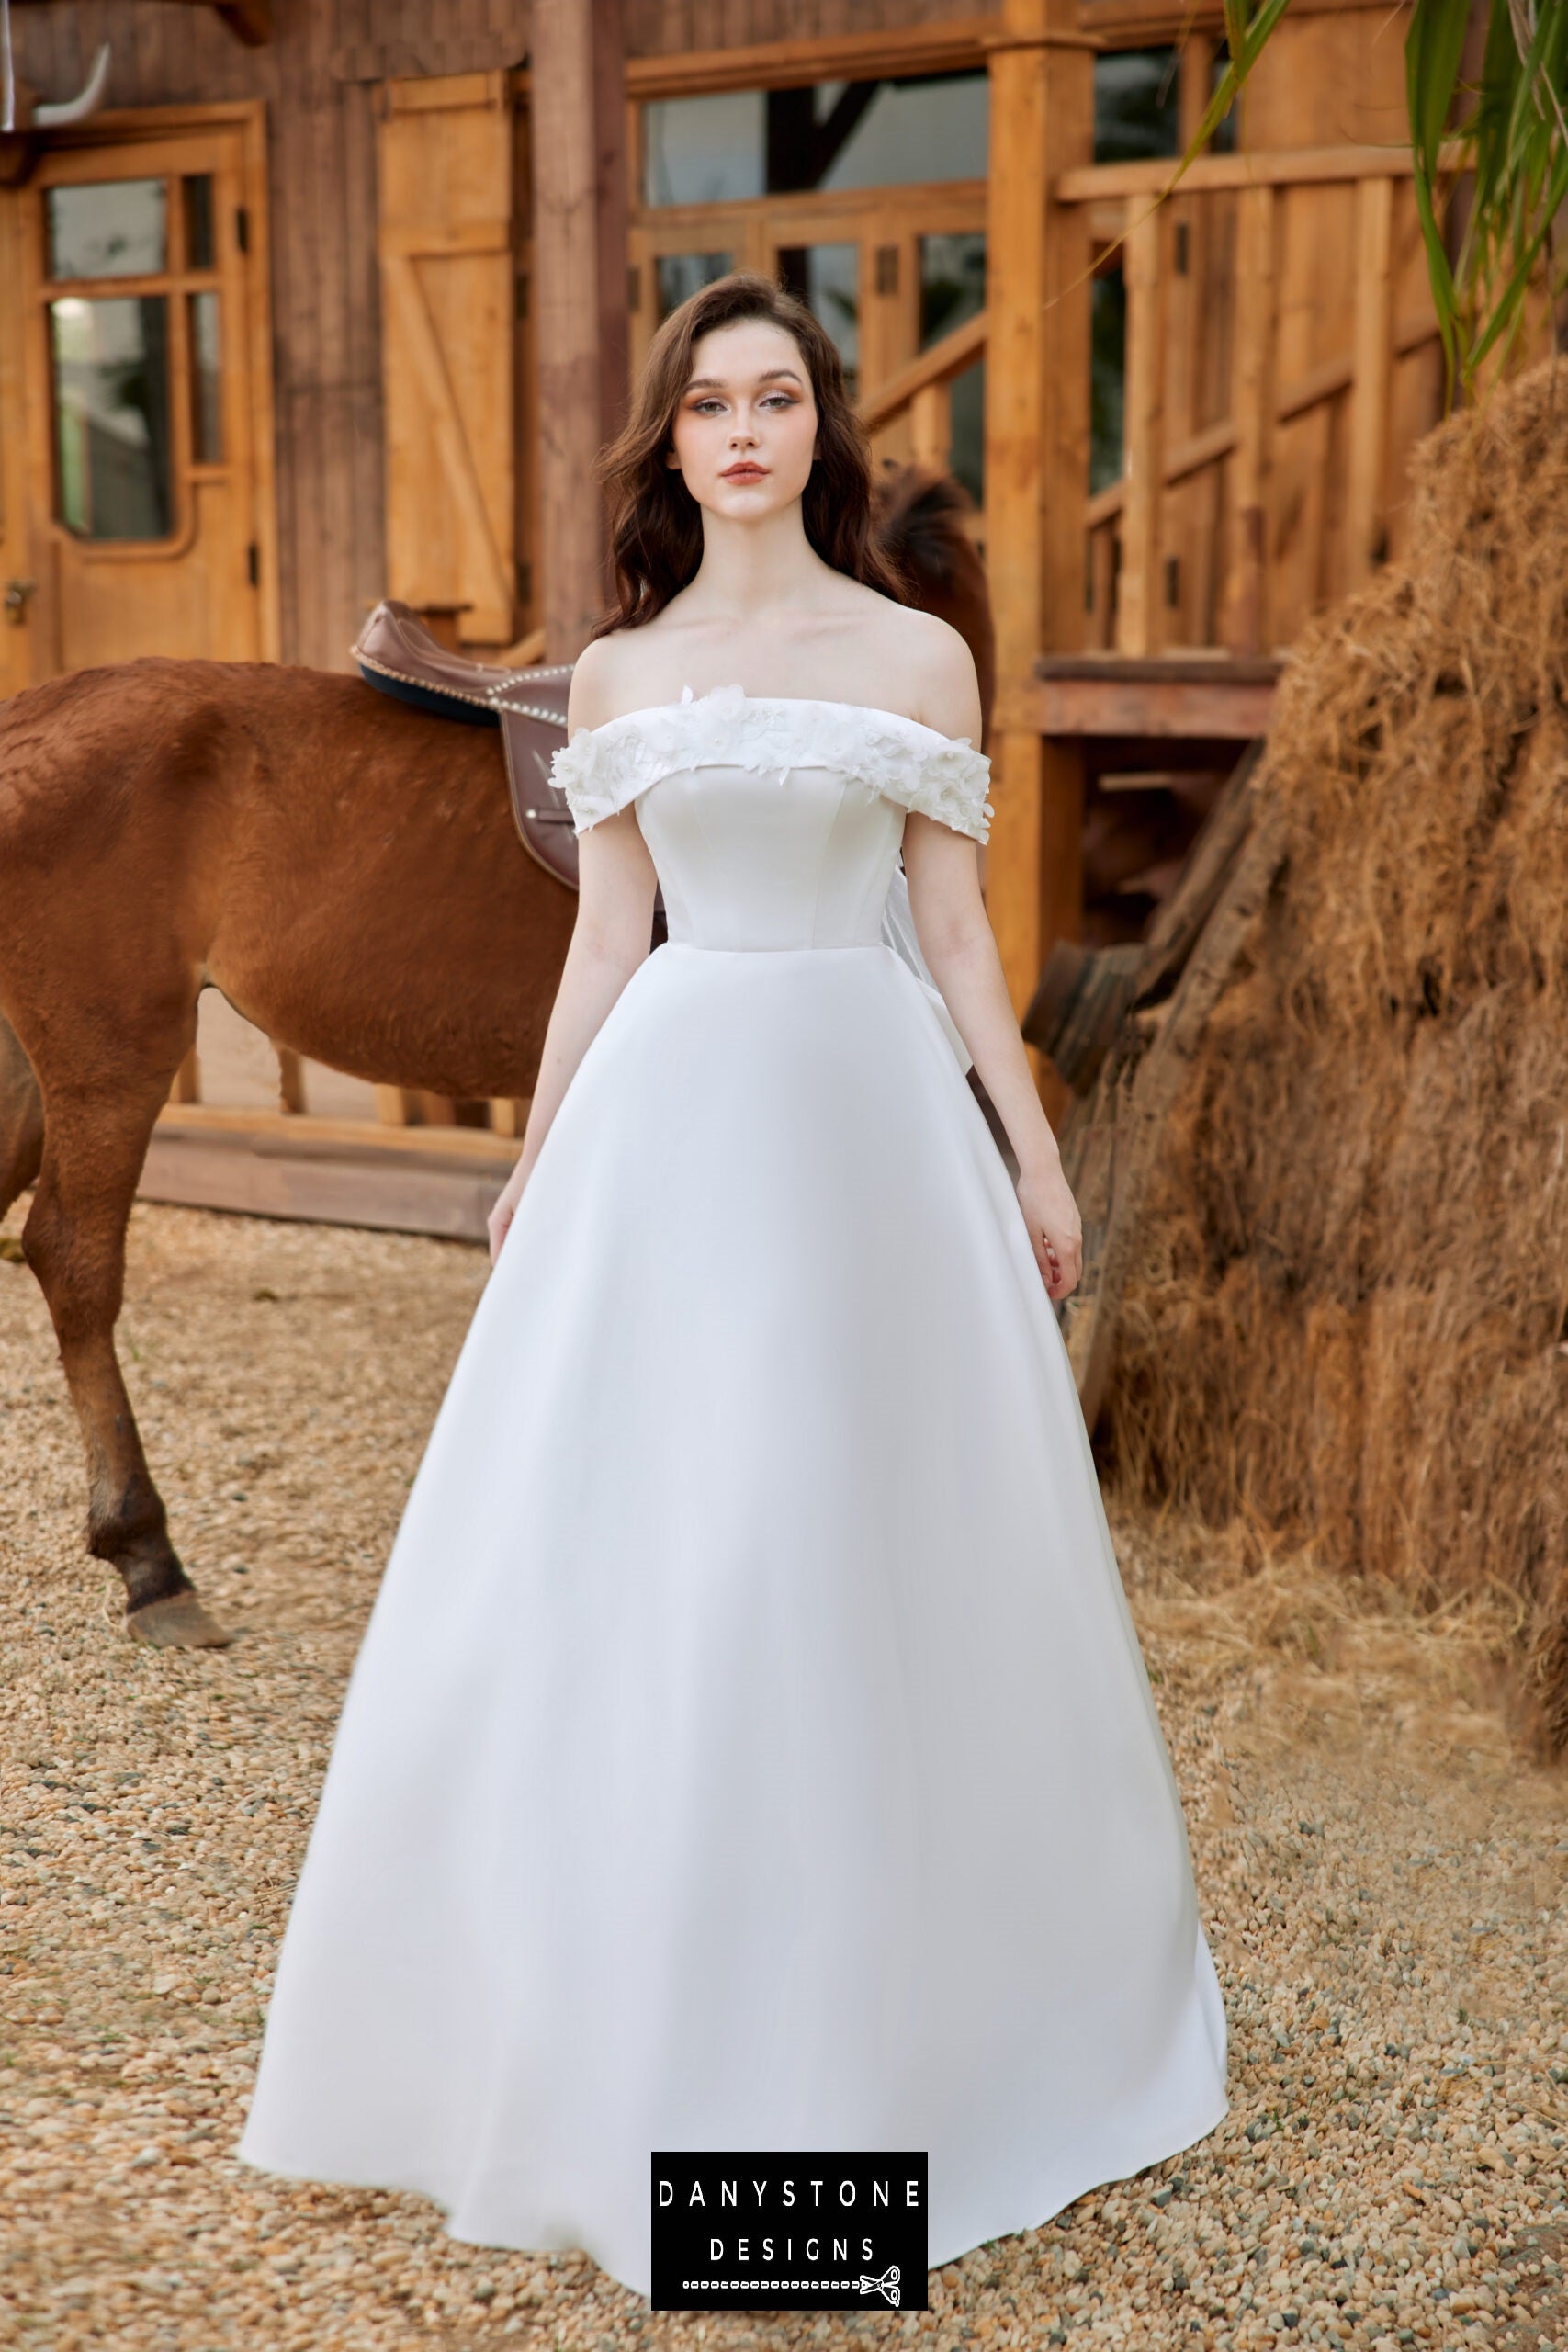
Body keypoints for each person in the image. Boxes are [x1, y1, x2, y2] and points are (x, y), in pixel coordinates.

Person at [236, 272, 1227, 2301]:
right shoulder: (613, 677)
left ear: (819, 430)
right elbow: (605, 941)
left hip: (863, 1122)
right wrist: (535, 1165)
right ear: (674, 446)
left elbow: (954, 936)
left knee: (854, 1542)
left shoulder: (916, 657)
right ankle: (646, 2068)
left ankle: (892, 2079)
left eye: (779, 396)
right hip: (669, 1129)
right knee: (664, 1551)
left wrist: (1034, 1160)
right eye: (712, 404)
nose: (747, 429)